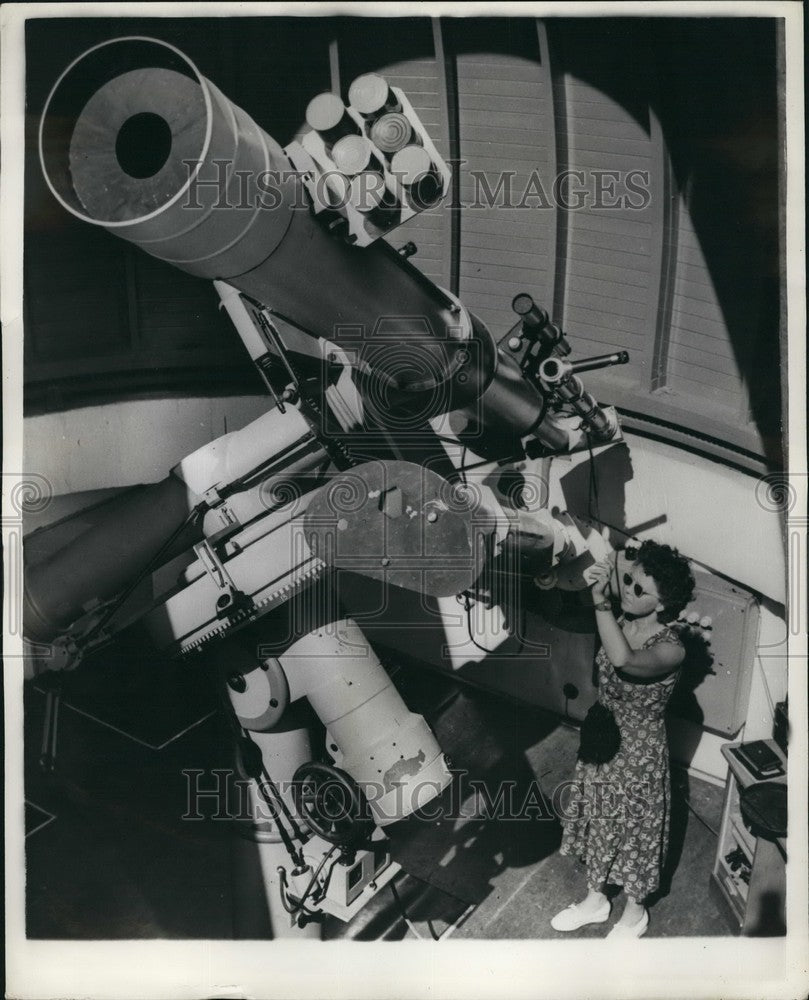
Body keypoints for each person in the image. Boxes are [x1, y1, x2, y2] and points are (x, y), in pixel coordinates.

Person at [551, 540, 695, 938]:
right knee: (598, 818)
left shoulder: (671, 648)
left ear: (664, 603)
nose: (628, 590)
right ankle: (596, 900)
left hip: (639, 752)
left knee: (635, 831)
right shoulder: (622, 621)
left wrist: (599, 602)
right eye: (628, 580)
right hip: (604, 739)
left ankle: (635, 914)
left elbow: (624, 661)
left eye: (639, 589)